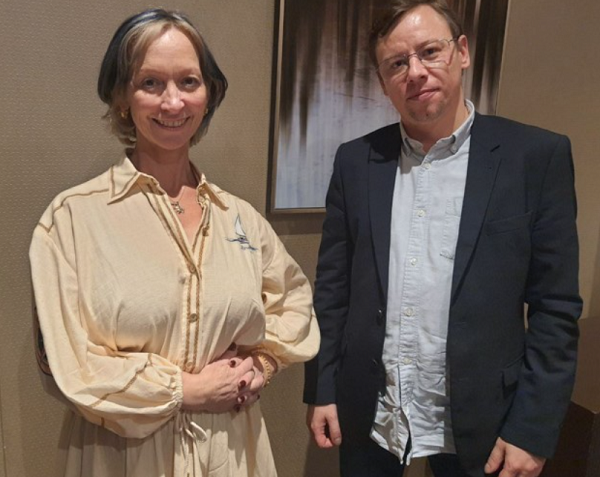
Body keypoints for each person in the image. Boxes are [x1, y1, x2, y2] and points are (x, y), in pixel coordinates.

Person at [30, 8, 319, 477]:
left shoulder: (239, 218)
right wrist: (184, 389)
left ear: (208, 95)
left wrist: (262, 364)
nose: (173, 102)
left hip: (231, 452)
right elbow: (68, 363)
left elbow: (294, 300)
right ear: (122, 97)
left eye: (188, 82)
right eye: (151, 83)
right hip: (122, 456)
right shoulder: (72, 220)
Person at [303, 1, 581, 476]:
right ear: (383, 81)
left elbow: (555, 308)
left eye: (430, 51)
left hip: (486, 420)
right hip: (372, 409)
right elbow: (332, 290)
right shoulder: (355, 162)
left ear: (462, 52)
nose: (415, 72)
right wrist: (322, 387)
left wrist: (531, 430)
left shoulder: (535, 157)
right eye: (396, 63)